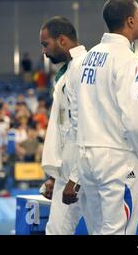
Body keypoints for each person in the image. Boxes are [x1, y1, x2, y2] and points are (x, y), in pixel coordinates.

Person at [67, 0, 138, 235]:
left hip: (87, 157)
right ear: (131, 21)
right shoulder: (128, 60)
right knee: (118, 231)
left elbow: (76, 115)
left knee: (99, 231)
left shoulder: (89, 57)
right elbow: (136, 123)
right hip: (117, 159)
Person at [39, 16, 91, 235]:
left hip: (85, 168)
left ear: (62, 40)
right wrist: (54, 173)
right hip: (67, 169)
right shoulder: (67, 70)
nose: (43, 51)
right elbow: (63, 128)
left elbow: (87, 127)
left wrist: (75, 179)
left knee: (103, 230)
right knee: (56, 231)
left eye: (45, 44)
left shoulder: (83, 67)